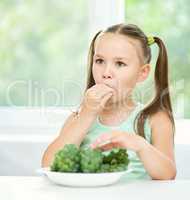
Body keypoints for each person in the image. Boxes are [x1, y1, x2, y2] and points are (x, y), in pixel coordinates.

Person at [41, 23, 176, 180]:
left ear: (142, 73)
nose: (106, 73)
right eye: (99, 61)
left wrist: (140, 145)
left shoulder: (155, 119)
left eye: (120, 64)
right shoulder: (78, 118)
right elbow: (48, 166)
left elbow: (168, 174)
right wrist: (86, 115)